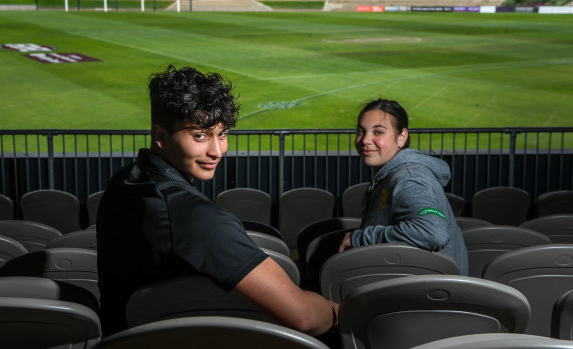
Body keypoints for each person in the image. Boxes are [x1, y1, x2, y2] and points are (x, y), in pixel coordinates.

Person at [96, 65, 338, 337]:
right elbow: (304, 317)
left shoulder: (124, 181)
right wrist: (343, 311)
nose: (217, 151)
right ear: (160, 137)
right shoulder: (194, 218)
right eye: (200, 136)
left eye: (221, 134)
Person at [338, 98, 468, 275]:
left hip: (425, 294)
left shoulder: (409, 178)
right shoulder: (394, 173)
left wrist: (361, 238)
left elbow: (433, 233)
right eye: (361, 131)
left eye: (378, 132)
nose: (365, 140)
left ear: (402, 137)